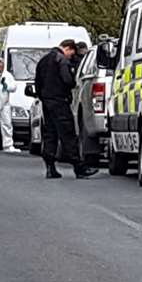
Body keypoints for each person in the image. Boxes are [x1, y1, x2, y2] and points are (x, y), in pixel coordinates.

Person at [34, 39, 92, 179]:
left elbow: (38, 83)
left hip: (47, 102)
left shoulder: (43, 60)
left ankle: (50, 167)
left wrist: (44, 97)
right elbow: (68, 80)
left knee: (50, 134)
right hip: (60, 101)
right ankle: (79, 167)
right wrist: (71, 85)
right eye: (71, 54)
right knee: (68, 134)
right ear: (68, 49)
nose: (71, 57)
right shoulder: (62, 61)